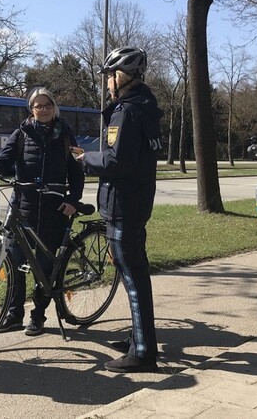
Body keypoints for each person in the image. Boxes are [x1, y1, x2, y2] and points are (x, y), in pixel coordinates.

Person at [78, 46, 163, 373]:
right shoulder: (146, 107)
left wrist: (87, 159)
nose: (107, 83)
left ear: (122, 77)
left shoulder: (126, 112)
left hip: (124, 205)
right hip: (137, 202)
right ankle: (138, 338)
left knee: (133, 276)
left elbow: (117, 160)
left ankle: (142, 352)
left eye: (109, 77)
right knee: (135, 274)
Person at [0, 87, 85, 336]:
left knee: (44, 267)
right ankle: (14, 315)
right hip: (22, 206)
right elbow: (4, 162)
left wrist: (73, 201)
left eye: (47, 105)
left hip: (53, 209)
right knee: (14, 262)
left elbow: (77, 173)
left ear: (54, 107)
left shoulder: (66, 135)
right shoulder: (22, 133)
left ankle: (38, 316)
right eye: (38, 105)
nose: (43, 109)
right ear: (31, 109)